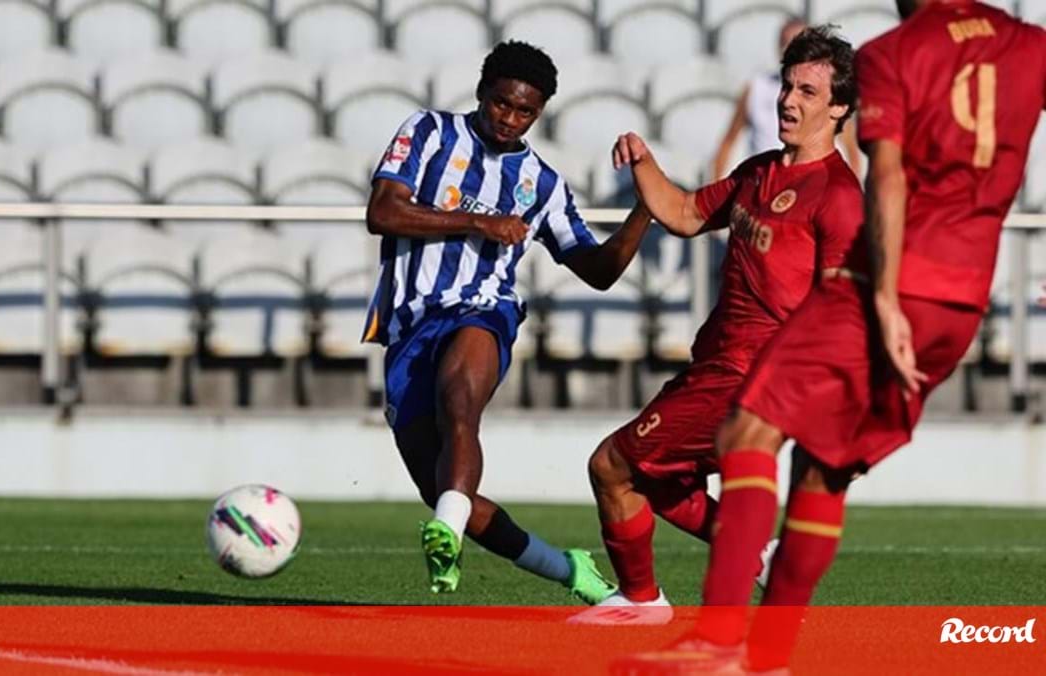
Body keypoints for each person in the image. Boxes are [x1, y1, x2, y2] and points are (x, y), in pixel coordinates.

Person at [631, 1, 1046, 672]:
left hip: (893, 283)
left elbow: (886, 176)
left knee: (748, 432)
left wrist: (883, 297)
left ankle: (719, 643)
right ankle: (766, 657)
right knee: (821, 470)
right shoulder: (1030, 43)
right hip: (963, 303)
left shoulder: (891, 55)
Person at [570, 26, 864, 625]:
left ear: (839, 108)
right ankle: (761, 557)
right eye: (787, 86)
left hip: (749, 380)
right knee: (659, 483)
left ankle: (642, 600)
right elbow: (681, 213)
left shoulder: (838, 196)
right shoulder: (759, 171)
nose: (788, 101)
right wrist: (645, 162)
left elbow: (842, 310)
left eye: (808, 92)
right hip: (716, 365)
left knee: (612, 465)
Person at [363, 40, 652, 601]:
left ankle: (444, 533)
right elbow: (383, 211)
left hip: (482, 309)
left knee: (459, 402)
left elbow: (597, 270)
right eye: (502, 104)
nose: (510, 119)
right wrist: (477, 222)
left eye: (525, 112)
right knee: (442, 487)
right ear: (482, 92)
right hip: (408, 325)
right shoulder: (427, 132)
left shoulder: (541, 184)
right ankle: (569, 570)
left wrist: (646, 210)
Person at [713, 17, 864, 179]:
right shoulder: (757, 87)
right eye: (786, 43)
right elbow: (728, 141)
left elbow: (850, 145)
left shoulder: (829, 91)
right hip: (764, 183)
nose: (788, 101)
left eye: (807, 92)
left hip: (812, 182)